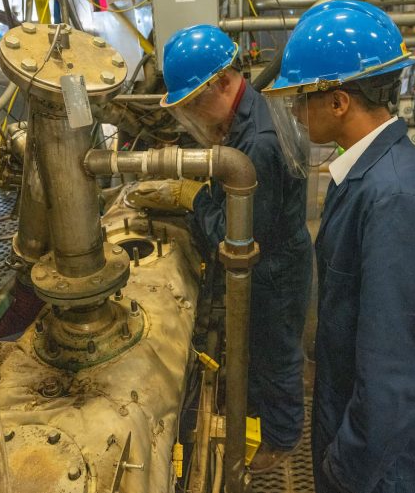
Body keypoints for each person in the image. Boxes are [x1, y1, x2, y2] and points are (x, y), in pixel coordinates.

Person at [262, 0, 415, 493]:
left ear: (339, 102)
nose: (293, 111)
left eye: (301, 98)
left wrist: (344, 470)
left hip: (388, 470)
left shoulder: (396, 200)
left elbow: (399, 375)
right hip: (362, 437)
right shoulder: (364, 173)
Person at [130, 24, 312, 472]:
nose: (192, 114)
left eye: (194, 102)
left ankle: (283, 438)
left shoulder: (259, 145)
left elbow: (240, 236)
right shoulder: (245, 115)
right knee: (257, 347)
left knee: (277, 353)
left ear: (223, 83)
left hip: (274, 270)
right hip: (276, 255)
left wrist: (193, 198)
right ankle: (251, 406)